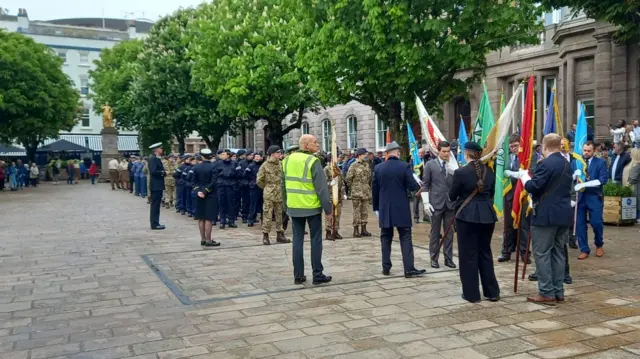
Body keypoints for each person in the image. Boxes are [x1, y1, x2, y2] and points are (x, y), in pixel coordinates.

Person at [515, 134, 572, 305]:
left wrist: (524, 176)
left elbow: (534, 187)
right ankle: (558, 291)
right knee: (558, 253)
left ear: (544, 147)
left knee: (542, 253)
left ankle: (546, 292)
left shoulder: (546, 164)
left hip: (546, 215)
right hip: (563, 214)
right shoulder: (566, 163)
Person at [449, 141, 500, 303]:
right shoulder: (490, 171)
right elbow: (491, 193)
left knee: (468, 255)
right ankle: (492, 292)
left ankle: (471, 294)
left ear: (466, 153)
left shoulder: (461, 173)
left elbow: (452, 195)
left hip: (467, 216)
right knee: (485, 252)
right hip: (487, 215)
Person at [282, 134, 333, 285]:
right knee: (315, 240)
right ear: (305, 145)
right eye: (314, 142)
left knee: (297, 241)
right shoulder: (313, 160)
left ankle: (298, 275)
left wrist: (286, 206)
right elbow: (322, 189)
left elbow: (282, 186)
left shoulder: (286, 160)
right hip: (311, 207)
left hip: (294, 207)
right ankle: (317, 274)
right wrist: (328, 210)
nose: (317, 145)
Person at [372, 141, 427, 278]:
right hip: (401, 207)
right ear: (397, 152)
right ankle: (409, 269)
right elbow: (412, 185)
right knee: (405, 237)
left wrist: (376, 207)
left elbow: (375, 189)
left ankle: (386, 267)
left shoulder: (379, 168)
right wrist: (418, 187)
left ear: (387, 153)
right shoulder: (404, 166)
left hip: (385, 207)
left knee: (385, 237)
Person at [421, 141, 456, 269]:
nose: (446, 154)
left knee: (449, 232)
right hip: (435, 203)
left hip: (450, 204)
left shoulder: (453, 165)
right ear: (438, 151)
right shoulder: (430, 165)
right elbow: (425, 184)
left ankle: (448, 258)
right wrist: (426, 202)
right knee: (435, 232)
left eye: (448, 151)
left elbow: (456, 185)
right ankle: (434, 258)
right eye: (444, 151)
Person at [575, 141, 608, 259]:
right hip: (580, 198)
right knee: (580, 224)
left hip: (594, 196)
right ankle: (584, 249)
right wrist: (575, 176)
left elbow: (603, 180)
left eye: (589, 151)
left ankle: (599, 244)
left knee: (596, 223)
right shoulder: (578, 162)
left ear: (594, 151)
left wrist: (586, 184)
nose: (586, 153)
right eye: (584, 150)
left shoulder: (600, 163)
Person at [499, 135, 528, 262]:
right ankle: (506, 251)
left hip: (522, 195)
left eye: (515, 146)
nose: (513, 148)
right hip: (509, 194)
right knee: (508, 225)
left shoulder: (525, 157)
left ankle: (524, 252)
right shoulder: (507, 158)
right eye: (511, 146)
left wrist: (515, 174)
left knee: (523, 226)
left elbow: (529, 172)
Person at [257, 146, 289, 245]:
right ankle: (265, 235)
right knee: (268, 214)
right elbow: (259, 180)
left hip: (280, 193)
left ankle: (280, 234)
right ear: (272, 154)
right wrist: (267, 188)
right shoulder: (265, 165)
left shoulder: (281, 164)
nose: (280, 154)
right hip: (269, 193)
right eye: (278, 152)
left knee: (280, 214)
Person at [193, 149, 220, 247]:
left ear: (202, 156)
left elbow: (194, 182)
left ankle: (203, 239)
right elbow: (213, 182)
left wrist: (198, 191)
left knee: (201, 218)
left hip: (199, 194)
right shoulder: (213, 167)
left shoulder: (196, 167)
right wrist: (205, 191)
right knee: (208, 218)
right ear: (210, 156)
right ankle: (208, 239)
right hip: (211, 194)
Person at [347, 148, 373, 238]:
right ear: (359, 155)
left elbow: (369, 177)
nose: (366, 156)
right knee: (357, 211)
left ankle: (364, 229)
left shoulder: (367, 165)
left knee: (365, 211)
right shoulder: (353, 165)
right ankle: (356, 230)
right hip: (357, 192)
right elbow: (348, 179)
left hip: (365, 191)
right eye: (364, 154)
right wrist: (354, 187)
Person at [215, 149, 240, 229]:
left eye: (223, 154)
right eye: (221, 154)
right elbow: (214, 174)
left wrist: (232, 175)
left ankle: (231, 221)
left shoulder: (234, 163)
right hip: (221, 185)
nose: (222, 155)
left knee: (231, 204)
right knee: (222, 203)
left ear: (228, 155)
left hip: (231, 185)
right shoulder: (218, 163)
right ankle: (222, 221)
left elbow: (239, 173)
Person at [324, 153, 346, 241]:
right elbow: (323, 182)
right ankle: (328, 232)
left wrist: (343, 193)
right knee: (329, 215)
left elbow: (342, 182)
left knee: (337, 214)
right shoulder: (326, 169)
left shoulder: (337, 169)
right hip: (330, 195)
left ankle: (335, 230)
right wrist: (329, 184)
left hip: (338, 196)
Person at [148, 143, 166, 230]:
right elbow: (153, 171)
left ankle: (156, 222)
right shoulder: (153, 159)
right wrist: (163, 172)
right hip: (156, 185)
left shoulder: (155, 158)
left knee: (156, 205)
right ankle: (154, 224)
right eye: (161, 148)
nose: (162, 150)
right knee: (155, 205)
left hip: (158, 185)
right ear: (157, 149)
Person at [247, 152, 263, 227]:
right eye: (255, 157)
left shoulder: (263, 165)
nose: (257, 158)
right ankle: (251, 219)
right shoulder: (251, 166)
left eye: (258, 156)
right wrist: (251, 182)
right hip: (254, 186)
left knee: (263, 204)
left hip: (262, 187)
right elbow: (245, 175)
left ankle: (264, 220)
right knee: (253, 204)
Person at [625, 149, 640, 222]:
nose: (629, 154)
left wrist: (627, 184)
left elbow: (633, 178)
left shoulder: (636, 165)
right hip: (634, 188)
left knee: (636, 204)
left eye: (630, 153)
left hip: (635, 189)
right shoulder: (633, 164)